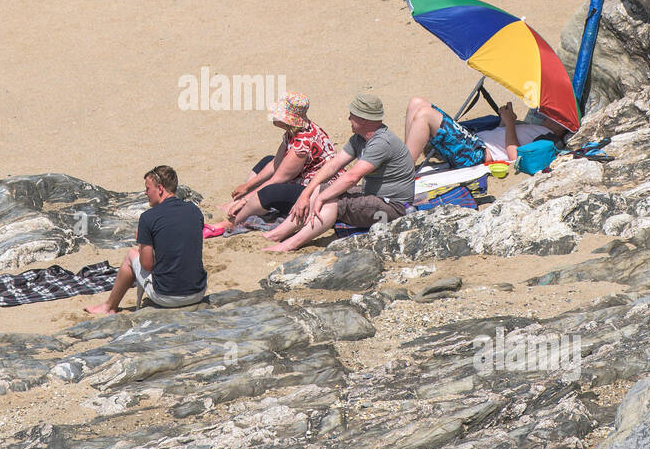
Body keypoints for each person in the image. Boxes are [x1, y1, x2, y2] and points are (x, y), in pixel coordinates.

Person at [264, 91, 415, 252]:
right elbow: (332, 165)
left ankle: (291, 244)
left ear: (363, 119)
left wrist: (322, 198)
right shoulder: (359, 138)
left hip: (394, 207)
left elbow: (352, 177)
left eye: (352, 115)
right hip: (373, 196)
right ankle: (277, 234)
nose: (348, 118)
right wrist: (306, 193)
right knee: (320, 188)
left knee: (333, 202)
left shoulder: (381, 143)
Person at [208, 92, 335, 235]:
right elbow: (276, 163)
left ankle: (234, 221)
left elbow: (279, 178)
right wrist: (247, 187)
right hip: (302, 177)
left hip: (315, 190)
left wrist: (245, 199)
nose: (273, 116)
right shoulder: (294, 130)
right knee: (267, 160)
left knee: (270, 191)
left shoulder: (302, 143)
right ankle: (240, 204)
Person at [88, 165, 207, 315]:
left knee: (131, 256)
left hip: (167, 296)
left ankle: (109, 306)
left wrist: (142, 241)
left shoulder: (148, 217)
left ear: (160, 189)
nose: (145, 193)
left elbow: (147, 265)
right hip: (198, 292)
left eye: (148, 188)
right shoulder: (194, 210)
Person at [404, 97, 569, 168]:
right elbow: (502, 137)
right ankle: (405, 159)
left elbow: (516, 157)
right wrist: (505, 119)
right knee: (416, 102)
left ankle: (402, 170)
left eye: (557, 116)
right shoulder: (536, 128)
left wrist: (510, 123)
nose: (548, 116)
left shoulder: (549, 139)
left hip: (477, 153)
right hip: (472, 141)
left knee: (425, 114)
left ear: (563, 125)